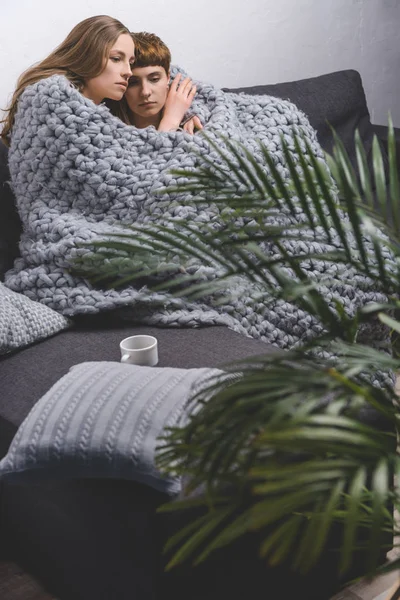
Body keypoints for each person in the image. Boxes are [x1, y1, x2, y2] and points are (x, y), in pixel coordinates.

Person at [1, 15, 135, 144]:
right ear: (87, 56)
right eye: (116, 59)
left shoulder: (113, 119)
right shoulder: (51, 105)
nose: (128, 72)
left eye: (131, 63)